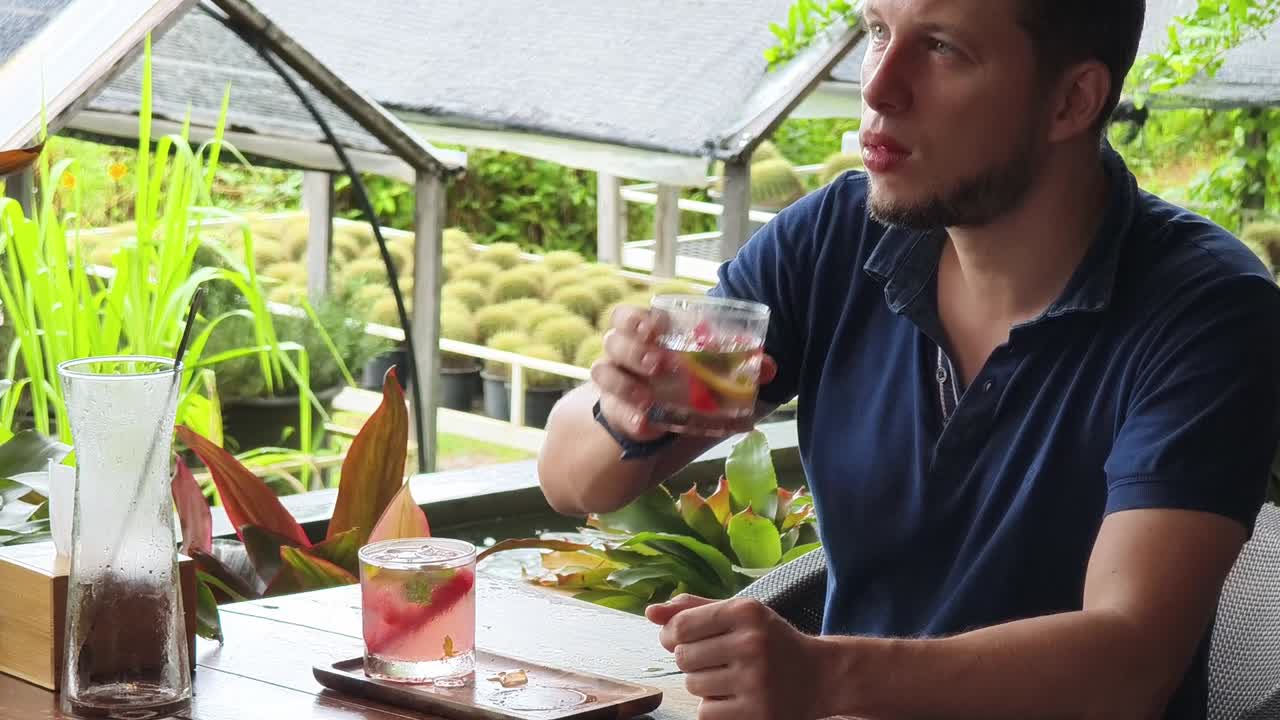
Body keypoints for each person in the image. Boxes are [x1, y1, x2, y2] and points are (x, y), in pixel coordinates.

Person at [537, 0, 1280, 717]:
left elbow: (1128, 668)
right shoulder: (835, 241)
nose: (877, 87)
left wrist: (824, 677)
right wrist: (624, 410)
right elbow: (575, 480)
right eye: (877, 31)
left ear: (1072, 100)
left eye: (942, 47)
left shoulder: (1207, 311)